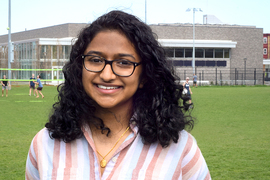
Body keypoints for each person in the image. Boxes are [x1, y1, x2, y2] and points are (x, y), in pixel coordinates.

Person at [26, 11, 211, 179]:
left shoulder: (181, 150)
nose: (107, 75)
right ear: (79, 67)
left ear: (145, 76)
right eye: (96, 60)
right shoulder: (44, 145)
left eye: (124, 62)